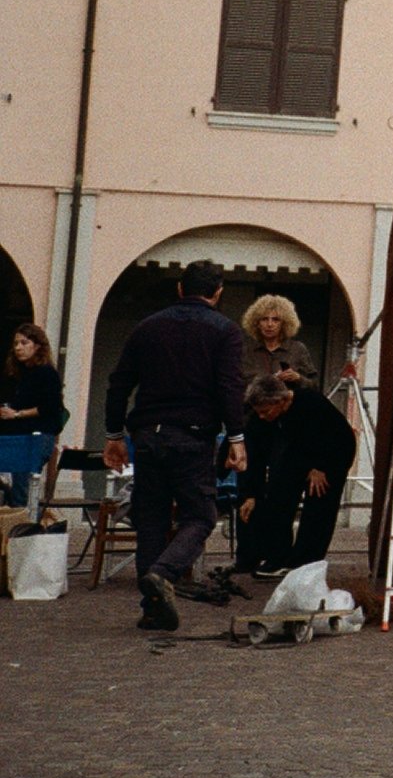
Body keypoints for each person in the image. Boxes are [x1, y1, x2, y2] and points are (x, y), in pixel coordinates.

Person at [102, 260, 246, 632]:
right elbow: (229, 387)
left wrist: (114, 434)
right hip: (192, 435)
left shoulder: (146, 327)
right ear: (218, 293)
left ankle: (152, 607)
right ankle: (163, 574)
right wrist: (236, 438)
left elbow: (119, 383)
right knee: (200, 515)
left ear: (180, 289)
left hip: (147, 434)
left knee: (150, 516)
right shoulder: (225, 331)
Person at [236, 373, 360, 576]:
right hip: (298, 454)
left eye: (266, 411)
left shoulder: (311, 403)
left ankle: (306, 560)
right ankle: (277, 556)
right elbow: (258, 451)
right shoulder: (266, 418)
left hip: (332, 455)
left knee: (319, 503)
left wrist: (320, 467)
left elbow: (336, 438)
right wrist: (250, 491)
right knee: (278, 496)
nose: (262, 416)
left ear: (281, 401)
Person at [0, 322, 68, 508]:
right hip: (13, 436)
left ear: (37, 345)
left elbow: (51, 407)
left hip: (35, 436)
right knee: (12, 488)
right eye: (15, 344)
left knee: (23, 489)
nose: (18, 348)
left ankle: (24, 528)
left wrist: (17, 414)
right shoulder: (16, 374)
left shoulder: (46, 373)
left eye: (24, 343)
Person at [239, 295, 316, 393]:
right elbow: (240, 383)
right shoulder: (246, 349)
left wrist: (298, 378)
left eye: (276, 320)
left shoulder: (297, 349)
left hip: (289, 405)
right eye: (264, 319)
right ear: (257, 323)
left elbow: (314, 385)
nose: (269, 324)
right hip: (254, 406)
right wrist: (273, 379)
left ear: (284, 324)